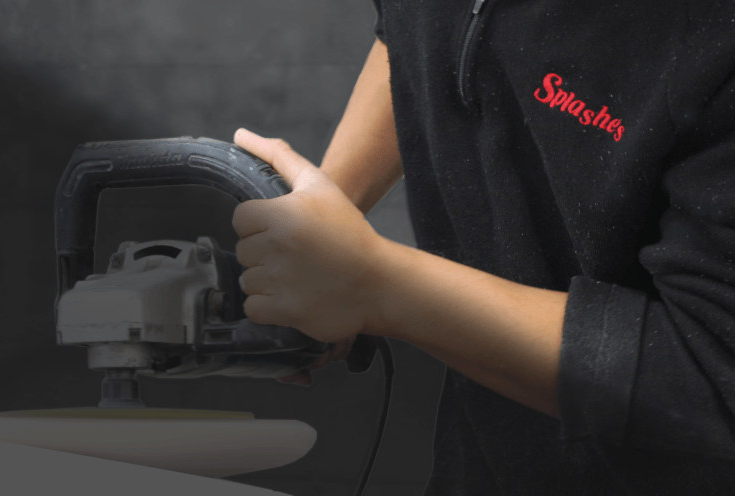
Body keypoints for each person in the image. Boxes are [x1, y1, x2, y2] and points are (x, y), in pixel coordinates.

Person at [230, 0, 735, 494]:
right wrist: (316, 227)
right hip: (478, 463)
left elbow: (711, 372)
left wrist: (372, 285)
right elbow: (413, 29)